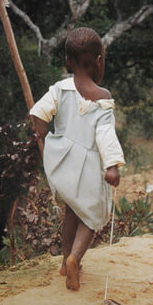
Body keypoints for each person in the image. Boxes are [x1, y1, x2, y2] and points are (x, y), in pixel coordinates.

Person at [29, 27, 124, 290]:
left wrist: (40, 131)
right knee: (91, 217)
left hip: (63, 163)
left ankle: (64, 262)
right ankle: (75, 259)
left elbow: (39, 112)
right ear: (99, 61)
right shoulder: (103, 97)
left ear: (67, 61)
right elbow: (105, 135)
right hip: (90, 168)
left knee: (71, 211)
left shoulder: (59, 89)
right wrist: (112, 166)